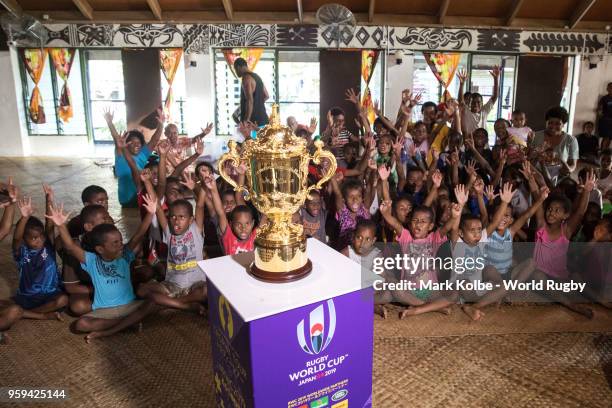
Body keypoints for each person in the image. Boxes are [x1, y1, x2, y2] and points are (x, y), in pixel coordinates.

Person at [47, 195, 158, 342]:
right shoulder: (91, 260)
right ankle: (126, 324)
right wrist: (61, 225)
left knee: (155, 301)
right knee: (80, 324)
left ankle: (108, 330)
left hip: (129, 305)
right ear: (100, 249)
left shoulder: (124, 255)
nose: (120, 246)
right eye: (115, 243)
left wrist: (151, 213)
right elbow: (70, 246)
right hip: (104, 311)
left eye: (120, 241)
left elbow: (139, 235)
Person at [0, 190, 68, 342]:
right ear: (25, 240)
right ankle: (34, 314)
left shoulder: (47, 246)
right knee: (10, 305)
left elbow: (49, 224)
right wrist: (24, 217)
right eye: (34, 238)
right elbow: (16, 238)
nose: (39, 240)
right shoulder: (22, 252)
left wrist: (48, 198)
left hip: (51, 293)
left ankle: (24, 314)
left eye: (41, 236)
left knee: (63, 300)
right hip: (28, 296)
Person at [137, 187, 207, 314]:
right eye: (173, 217)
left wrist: (203, 187)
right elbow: (157, 207)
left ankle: (171, 302)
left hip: (195, 285)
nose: (176, 221)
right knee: (141, 290)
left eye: (182, 217)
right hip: (172, 285)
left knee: (206, 291)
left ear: (191, 220)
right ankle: (184, 305)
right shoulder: (168, 231)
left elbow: (200, 205)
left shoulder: (195, 230)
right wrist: (147, 181)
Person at [104, 107, 164, 207]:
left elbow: (154, 140)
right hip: (128, 199)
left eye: (139, 143)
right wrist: (109, 122)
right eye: (132, 142)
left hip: (141, 194)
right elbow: (116, 138)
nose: (136, 145)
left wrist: (161, 124)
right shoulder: (121, 154)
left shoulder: (143, 154)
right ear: (126, 144)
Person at [530, 106, 579, 174]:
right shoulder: (535, 136)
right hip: (536, 176)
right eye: (550, 123)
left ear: (563, 124)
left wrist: (568, 169)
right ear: (546, 122)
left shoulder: (571, 140)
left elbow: (573, 165)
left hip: (560, 177)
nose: (553, 127)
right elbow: (528, 159)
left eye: (558, 124)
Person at [459, 66, 500, 138]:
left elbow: (494, 97)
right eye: (473, 102)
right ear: (468, 103)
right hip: (468, 144)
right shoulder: (466, 111)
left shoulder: (484, 111)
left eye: (478, 102)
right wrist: (461, 84)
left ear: (482, 104)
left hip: (483, 145)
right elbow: (461, 101)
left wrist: (496, 79)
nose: (476, 104)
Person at [234, 57, 270, 126]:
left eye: (235, 69)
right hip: (263, 120)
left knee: (251, 137)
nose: (236, 72)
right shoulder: (257, 77)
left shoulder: (246, 78)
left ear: (238, 67)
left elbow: (249, 100)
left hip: (252, 123)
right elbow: (266, 96)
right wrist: (257, 105)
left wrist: (246, 120)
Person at [597, 82, 612, 150]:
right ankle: (602, 153)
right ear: (607, 89)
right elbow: (599, 109)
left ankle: (606, 154)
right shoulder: (604, 98)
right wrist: (600, 114)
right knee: (605, 137)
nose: (611, 89)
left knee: (610, 139)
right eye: (610, 87)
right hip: (606, 121)